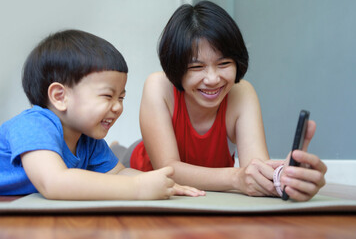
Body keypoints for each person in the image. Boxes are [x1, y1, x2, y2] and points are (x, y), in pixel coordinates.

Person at [120, 0, 327, 201]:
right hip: (139, 164)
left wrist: (284, 177)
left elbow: (255, 167)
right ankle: (116, 147)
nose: (212, 79)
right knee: (116, 157)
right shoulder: (158, 86)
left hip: (205, 190)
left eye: (224, 63)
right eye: (196, 67)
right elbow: (167, 169)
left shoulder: (241, 93)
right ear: (176, 68)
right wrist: (237, 177)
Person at [0, 29, 205, 200]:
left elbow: (119, 173)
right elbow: (54, 182)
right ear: (60, 96)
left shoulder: (87, 138)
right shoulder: (33, 125)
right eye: (108, 96)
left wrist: (164, 183)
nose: (117, 107)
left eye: (121, 98)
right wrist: (138, 188)